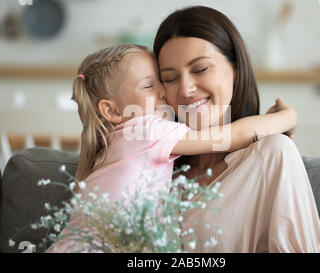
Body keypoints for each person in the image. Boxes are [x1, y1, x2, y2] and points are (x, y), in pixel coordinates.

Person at [45, 43, 297, 252]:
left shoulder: (113, 141)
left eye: (162, 81)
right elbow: (230, 135)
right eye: (148, 85)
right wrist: (288, 118)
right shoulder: (147, 129)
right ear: (111, 110)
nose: (164, 92)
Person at [153, 6, 320, 252]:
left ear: (236, 69)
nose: (185, 89)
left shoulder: (271, 155)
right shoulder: (155, 163)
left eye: (200, 69)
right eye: (170, 78)